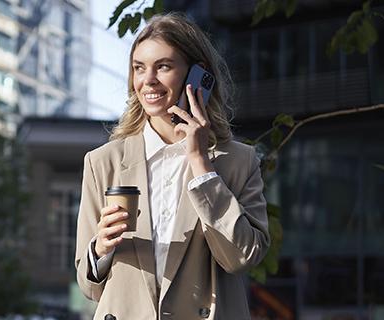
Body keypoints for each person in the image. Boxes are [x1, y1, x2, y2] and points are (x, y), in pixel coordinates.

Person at [74, 12, 270, 320]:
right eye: (139, 68)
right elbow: (89, 286)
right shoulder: (103, 162)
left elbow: (242, 257)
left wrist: (201, 165)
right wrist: (100, 250)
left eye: (162, 66)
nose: (147, 80)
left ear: (198, 74)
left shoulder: (239, 161)